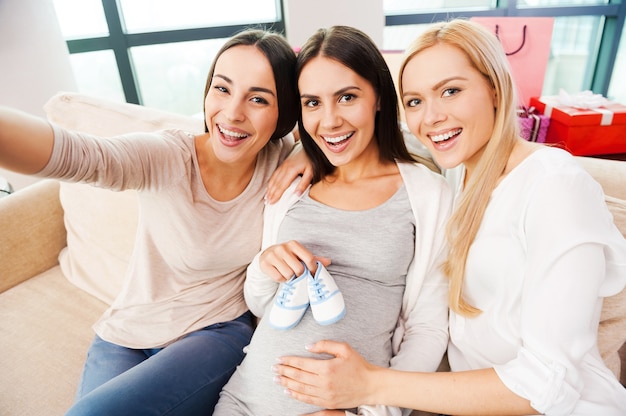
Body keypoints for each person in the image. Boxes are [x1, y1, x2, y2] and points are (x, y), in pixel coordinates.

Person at [271, 19, 626, 415]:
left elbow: (545, 385)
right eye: (416, 101)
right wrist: (310, 146)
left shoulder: (557, 189)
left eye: (451, 91)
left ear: (494, 87)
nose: (432, 117)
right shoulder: (457, 168)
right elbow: (379, 134)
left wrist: (370, 386)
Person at [0, 29, 309, 415]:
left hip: (214, 332)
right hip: (127, 331)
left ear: (283, 114)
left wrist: (308, 152)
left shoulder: (279, 157)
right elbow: (76, 155)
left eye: (258, 98)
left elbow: (355, 131)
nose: (232, 113)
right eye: (222, 89)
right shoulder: (167, 155)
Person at [213, 25, 452, 416]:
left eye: (346, 97)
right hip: (245, 400)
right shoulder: (290, 185)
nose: (329, 121)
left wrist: (375, 411)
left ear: (378, 96)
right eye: (312, 103)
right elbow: (259, 303)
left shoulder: (428, 195)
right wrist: (264, 265)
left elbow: (427, 328)